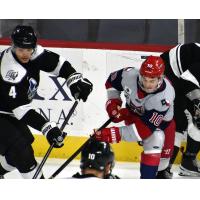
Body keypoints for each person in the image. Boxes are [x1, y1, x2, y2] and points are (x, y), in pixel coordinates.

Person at [0, 25, 93, 179]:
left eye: (28, 49)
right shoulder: (11, 71)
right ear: (13, 46)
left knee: (20, 147)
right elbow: (21, 110)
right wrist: (48, 128)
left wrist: (74, 79)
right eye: (21, 49)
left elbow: (58, 64)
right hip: (6, 113)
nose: (25, 54)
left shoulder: (33, 52)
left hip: (8, 112)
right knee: (22, 153)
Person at [94, 56, 176, 179]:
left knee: (159, 154)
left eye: (152, 81)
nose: (147, 85)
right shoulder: (129, 75)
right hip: (133, 114)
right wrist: (113, 102)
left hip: (161, 125)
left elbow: (144, 130)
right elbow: (111, 82)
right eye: (145, 79)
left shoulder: (165, 96)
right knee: (154, 139)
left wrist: (110, 134)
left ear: (160, 79)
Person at [158, 43, 200, 178]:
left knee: (188, 120)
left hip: (179, 77)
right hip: (166, 75)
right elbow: (187, 82)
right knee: (178, 122)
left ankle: (187, 161)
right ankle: (165, 167)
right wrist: (197, 104)